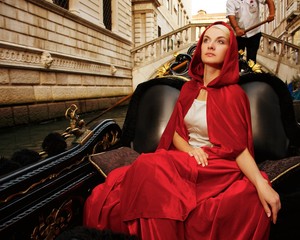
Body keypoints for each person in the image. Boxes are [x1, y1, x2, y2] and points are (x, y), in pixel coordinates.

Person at [83, 21, 281, 239]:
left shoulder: (233, 94)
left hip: (215, 165)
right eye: (206, 40)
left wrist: (261, 184)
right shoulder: (189, 89)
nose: (211, 45)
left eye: (220, 41)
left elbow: (239, 148)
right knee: (144, 169)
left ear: (230, 52)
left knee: (150, 167)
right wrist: (189, 150)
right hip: (186, 158)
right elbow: (176, 132)